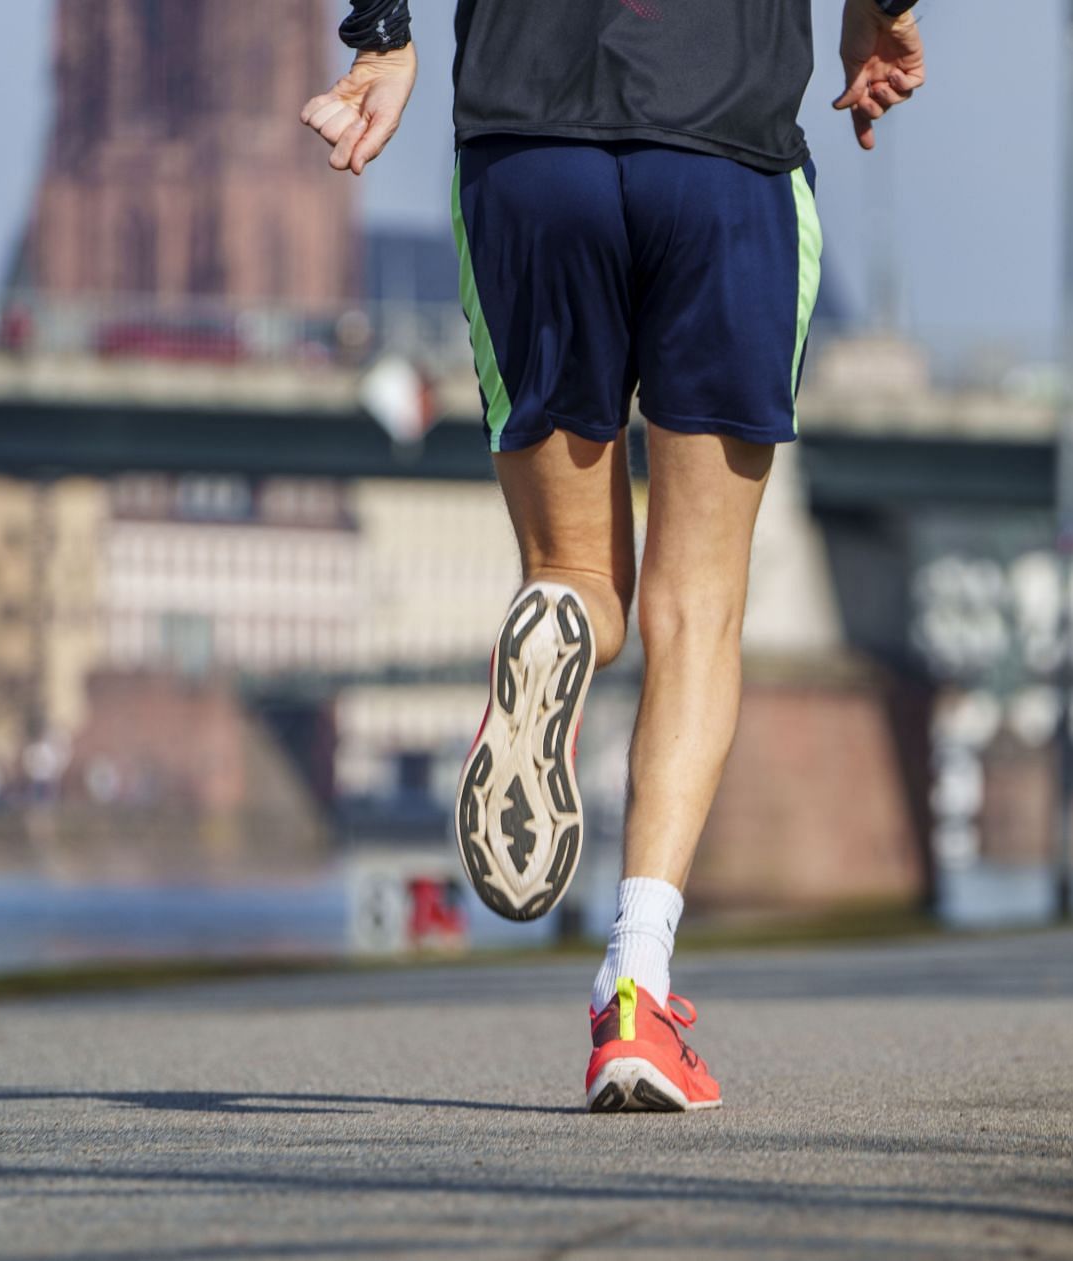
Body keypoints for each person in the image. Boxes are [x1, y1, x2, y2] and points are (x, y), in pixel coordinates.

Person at [304, 0, 926, 1113]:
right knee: (697, 610)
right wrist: (881, 13)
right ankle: (636, 986)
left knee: (577, 573)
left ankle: (558, 617)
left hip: (526, 148)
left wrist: (382, 35)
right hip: (726, 155)